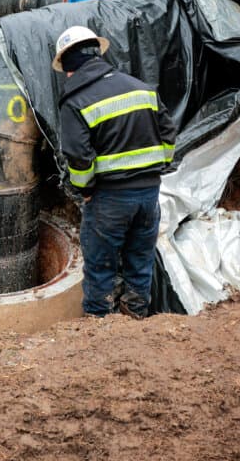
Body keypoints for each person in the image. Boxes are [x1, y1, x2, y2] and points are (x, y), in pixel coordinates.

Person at [54, 25, 178, 318]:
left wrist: (85, 191)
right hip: (149, 195)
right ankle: (135, 317)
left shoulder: (76, 101)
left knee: (100, 266)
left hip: (109, 199)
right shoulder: (141, 88)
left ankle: (99, 327)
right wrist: (158, 167)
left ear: (69, 67)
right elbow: (168, 133)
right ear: (96, 55)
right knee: (140, 259)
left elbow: (79, 157)